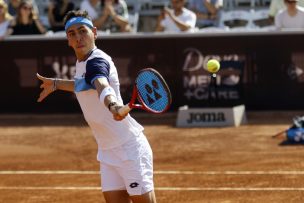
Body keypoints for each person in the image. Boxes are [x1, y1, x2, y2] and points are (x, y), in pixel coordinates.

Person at [36, 10, 157, 203]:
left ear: (95, 32)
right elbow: (85, 84)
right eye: (72, 34)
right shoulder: (82, 62)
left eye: (83, 31)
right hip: (107, 150)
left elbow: (101, 83)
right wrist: (57, 83)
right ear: (68, 40)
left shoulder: (97, 60)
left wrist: (113, 106)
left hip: (129, 148)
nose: (78, 38)